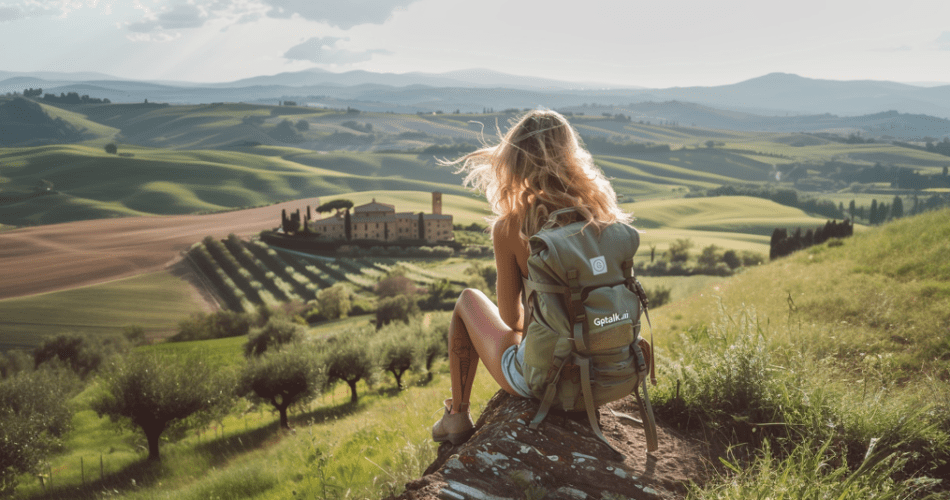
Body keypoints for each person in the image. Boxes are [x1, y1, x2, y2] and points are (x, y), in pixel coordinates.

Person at [431, 109, 633, 445]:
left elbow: (512, 321)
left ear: (514, 160)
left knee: (467, 301)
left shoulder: (512, 227)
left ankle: (458, 416)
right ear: (571, 155)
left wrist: (547, 323)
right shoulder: (603, 217)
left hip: (548, 379)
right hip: (613, 372)